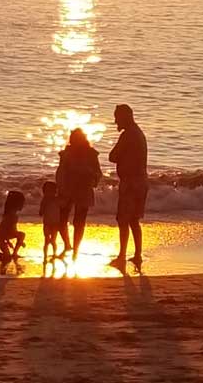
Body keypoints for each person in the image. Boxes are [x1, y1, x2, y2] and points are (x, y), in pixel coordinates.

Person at [108, 104, 148, 269]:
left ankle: (122, 256)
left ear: (126, 116)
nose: (116, 121)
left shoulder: (128, 135)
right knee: (133, 220)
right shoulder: (138, 133)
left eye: (117, 117)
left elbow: (113, 156)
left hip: (131, 183)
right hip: (140, 181)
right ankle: (137, 254)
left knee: (123, 219)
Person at [57, 127, 102, 258]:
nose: (74, 142)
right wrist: (60, 186)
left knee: (79, 222)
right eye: (73, 139)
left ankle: (75, 250)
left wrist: (92, 177)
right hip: (67, 188)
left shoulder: (91, 154)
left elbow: (98, 173)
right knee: (62, 220)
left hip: (84, 189)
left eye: (77, 139)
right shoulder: (66, 153)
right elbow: (60, 172)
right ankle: (67, 245)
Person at [0, 190, 26, 262]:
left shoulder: (12, 214)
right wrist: (8, 241)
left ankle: (14, 253)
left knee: (22, 234)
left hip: (6, 235)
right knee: (7, 257)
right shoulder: (11, 216)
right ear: (16, 204)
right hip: (0, 238)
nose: (23, 205)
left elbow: (12, 230)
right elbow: (4, 230)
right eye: (22, 203)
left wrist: (15, 240)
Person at [39, 179, 61, 260]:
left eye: (51, 191)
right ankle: (45, 256)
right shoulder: (44, 200)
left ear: (55, 191)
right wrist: (42, 210)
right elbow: (41, 211)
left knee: (53, 241)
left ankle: (54, 254)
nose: (49, 193)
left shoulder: (56, 199)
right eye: (47, 191)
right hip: (47, 223)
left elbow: (63, 204)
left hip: (55, 223)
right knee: (47, 240)